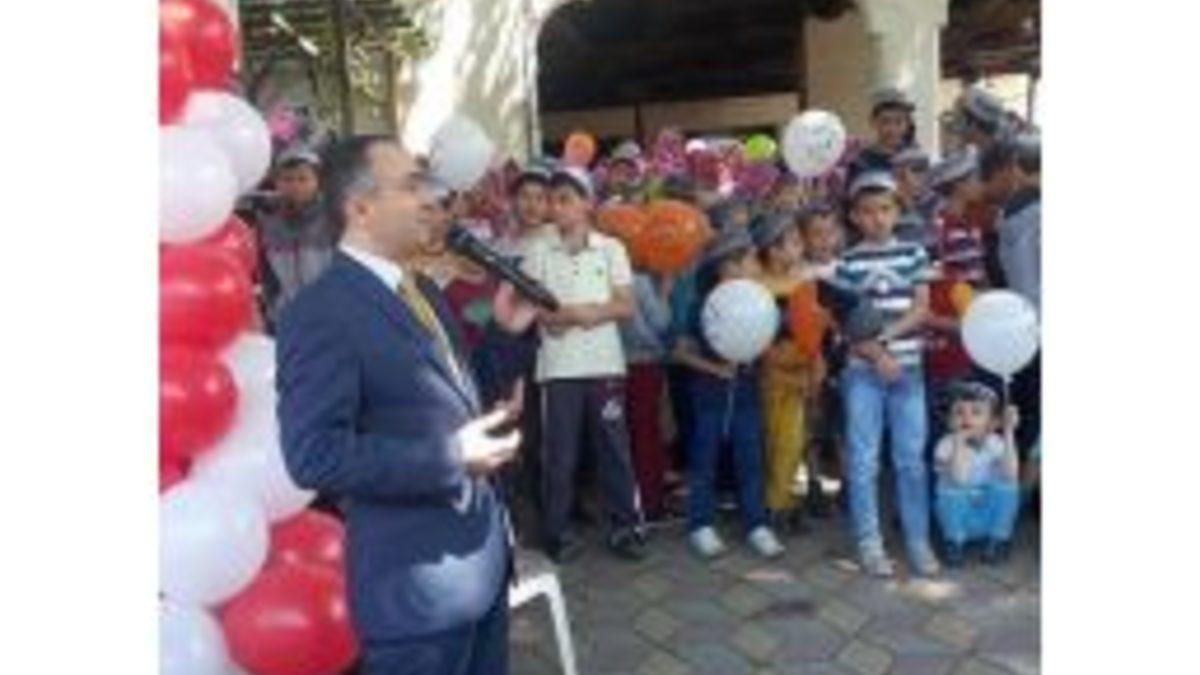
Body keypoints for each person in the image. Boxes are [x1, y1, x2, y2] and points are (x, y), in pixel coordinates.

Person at [276, 136, 525, 674]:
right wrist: (450, 458)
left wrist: (504, 334)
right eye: (412, 186)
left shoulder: (423, 290)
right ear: (360, 208)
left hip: (482, 569)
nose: (431, 200)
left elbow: (455, 397)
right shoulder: (319, 312)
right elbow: (314, 455)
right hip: (417, 598)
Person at [519, 166, 647, 563]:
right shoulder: (538, 251)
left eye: (565, 200)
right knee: (560, 454)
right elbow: (539, 311)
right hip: (558, 369)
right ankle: (557, 532)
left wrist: (578, 313)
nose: (556, 208)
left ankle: (626, 527)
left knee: (614, 448)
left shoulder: (610, 248)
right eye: (552, 200)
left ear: (587, 204)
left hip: (605, 365)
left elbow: (626, 305)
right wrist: (581, 314)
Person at [833, 170, 940, 578]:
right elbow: (844, 323)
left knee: (911, 459)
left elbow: (922, 308)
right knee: (863, 460)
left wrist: (885, 339)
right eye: (867, 211)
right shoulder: (847, 262)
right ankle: (869, 542)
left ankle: (917, 540)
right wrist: (876, 355)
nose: (877, 218)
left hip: (907, 370)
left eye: (884, 209)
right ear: (854, 216)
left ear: (897, 211)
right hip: (863, 372)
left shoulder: (914, 254)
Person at [673, 228, 786, 560]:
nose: (757, 265)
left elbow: (767, 342)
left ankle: (757, 524)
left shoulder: (760, 301)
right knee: (704, 459)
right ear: (727, 266)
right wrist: (714, 368)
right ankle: (700, 524)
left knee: (750, 458)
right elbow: (680, 352)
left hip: (747, 392)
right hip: (708, 394)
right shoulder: (701, 305)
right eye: (750, 260)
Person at [752, 212, 821, 534]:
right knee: (775, 441)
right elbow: (754, 336)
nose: (800, 247)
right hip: (772, 374)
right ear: (773, 249)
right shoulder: (758, 285)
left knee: (797, 442)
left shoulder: (805, 282)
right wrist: (776, 366)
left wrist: (816, 365)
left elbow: (815, 327)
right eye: (792, 242)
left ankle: (788, 501)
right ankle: (775, 505)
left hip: (803, 371)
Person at [925, 147, 989, 423]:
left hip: (963, 328)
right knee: (953, 412)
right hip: (951, 331)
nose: (980, 183)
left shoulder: (962, 224)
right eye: (975, 178)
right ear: (959, 185)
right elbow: (955, 283)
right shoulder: (946, 230)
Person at [932, 382, 1021, 568]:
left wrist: (1009, 432)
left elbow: (1011, 474)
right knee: (953, 490)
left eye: (976, 412)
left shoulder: (995, 442)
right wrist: (959, 442)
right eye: (959, 412)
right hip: (961, 515)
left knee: (1009, 487)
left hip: (986, 512)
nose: (966, 418)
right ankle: (954, 542)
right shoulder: (945, 445)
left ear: (992, 422)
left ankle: (999, 538)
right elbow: (960, 479)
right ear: (949, 421)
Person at [619, 264, 675, 521]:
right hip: (644, 362)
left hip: (616, 363)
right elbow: (660, 322)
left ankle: (634, 500)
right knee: (648, 433)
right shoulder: (639, 280)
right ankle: (650, 502)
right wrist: (664, 292)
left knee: (631, 433)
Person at [258, 147, 336, 327]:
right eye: (287, 179)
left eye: (303, 179)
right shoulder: (268, 222)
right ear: (276, 182)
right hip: (286, 317)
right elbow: (265, 272)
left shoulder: (333, 219)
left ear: (318, 181)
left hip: (330, 315)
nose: (295, 186)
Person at [848, 86, 918, 182]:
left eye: (899, 122)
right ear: (873, 122)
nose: (892, 129)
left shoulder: (916, 157)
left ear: (907, 124)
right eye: (885, 121)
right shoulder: (861, 161)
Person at [891, 146, 937, 250]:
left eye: (922, 172)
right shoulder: (891, 205)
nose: (919, 179)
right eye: (901, 177)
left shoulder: (935, 202)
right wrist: (907, 204)